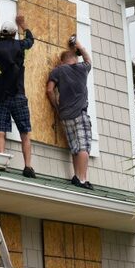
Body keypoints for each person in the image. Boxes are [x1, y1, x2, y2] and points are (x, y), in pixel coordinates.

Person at [0, 14, 36, 178]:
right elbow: (30, 41)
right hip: (17, 94)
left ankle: (1, 163)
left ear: (0, 34)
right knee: (24, 131)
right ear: (13, 34)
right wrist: (23, 25)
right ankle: (28, 167)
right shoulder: (19, 45)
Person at [46, 38, 93, 189]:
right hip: (80, 113)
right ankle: (82, 179)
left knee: (75, 147)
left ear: (62, 61)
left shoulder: (57, 71)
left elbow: (49, 90)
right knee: (84, 147)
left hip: (65, 115)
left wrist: (57, 107)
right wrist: (79, 46)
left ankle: (76, 176)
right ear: (74, 59)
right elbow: (88, 59)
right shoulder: (82, 68)